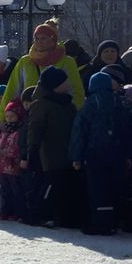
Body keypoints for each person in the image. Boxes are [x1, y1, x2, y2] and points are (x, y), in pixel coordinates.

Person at [71, 71, 132, 234]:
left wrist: (76, 156)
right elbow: (128, 131)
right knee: (115, 187)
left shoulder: (88, 105)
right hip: (118, 153)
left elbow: (79, 133)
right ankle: (116, 221)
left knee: (97, 189)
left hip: (94, 154)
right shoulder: (121, 104)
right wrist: (128, 155)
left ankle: (101, 223)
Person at [0, 19, 85, 121]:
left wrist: (72, 115)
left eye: (43, 38)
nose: (39, 42)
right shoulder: (25, 62)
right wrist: (3, 117)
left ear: (53, 40)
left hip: (58, 118)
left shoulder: (67, 62)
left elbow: (76, 91)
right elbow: (12, 90)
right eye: (36, 38)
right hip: (30, 116)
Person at [25, 67, 77, 228]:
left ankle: (62, 215)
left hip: (66, 150)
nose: (67, 83)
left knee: (63, 185)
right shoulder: (41, 104)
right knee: (49, 184)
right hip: (48, 153)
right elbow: (35, 129)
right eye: (64, 81)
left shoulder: (68, 104)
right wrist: (32, 149)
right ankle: (42, 214)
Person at [0, 101, 26, 221]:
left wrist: (2, 152)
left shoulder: (18, 132)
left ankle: (17, 212)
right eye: (7, 117)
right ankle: (5, 211)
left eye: (12, 116)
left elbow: (15, 149)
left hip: (12, 166)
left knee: (15, 190)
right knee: (4, 191)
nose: (9, 119)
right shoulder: (4, 131)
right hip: (2, 166)